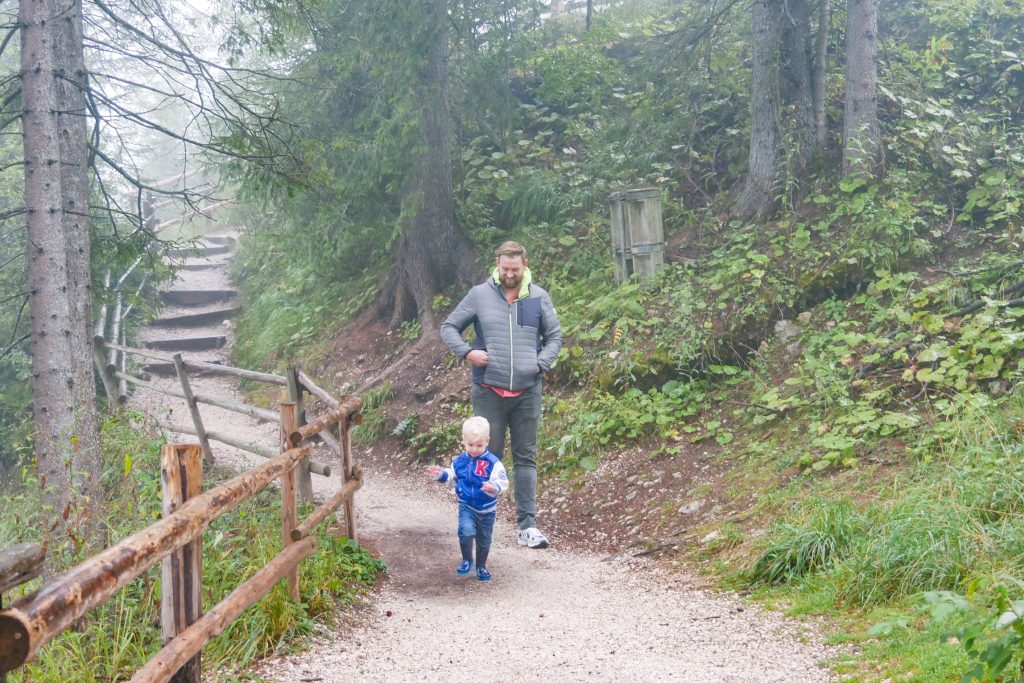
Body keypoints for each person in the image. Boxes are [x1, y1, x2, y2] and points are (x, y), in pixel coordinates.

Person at [440, 240, 562, 549]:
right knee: (482, 458)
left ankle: (527, 526)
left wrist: (541, 364)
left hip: (527, 391)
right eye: (505, 269)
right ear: (497, 265)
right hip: (489, 389)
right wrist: (468, 353)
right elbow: (449, 327)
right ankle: (479, 520)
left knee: (526, 457)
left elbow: (555, 337)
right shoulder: (480, 295)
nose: (510, 274)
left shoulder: (537, 297)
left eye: (515, 269)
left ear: (525, 266)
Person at [426, 416, 509, 582]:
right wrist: (441, 475)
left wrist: (494, 488)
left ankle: (481, 566)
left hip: (487, 509)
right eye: (470, 445)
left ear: (487, 441)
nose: (474, 449)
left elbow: (503, 481)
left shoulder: (493, 463)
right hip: (466, 506)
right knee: (465, 532)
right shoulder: (460, 461)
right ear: (463, 441)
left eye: (479, 445)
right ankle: (467, 560)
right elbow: (453, 478)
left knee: (484, 540)